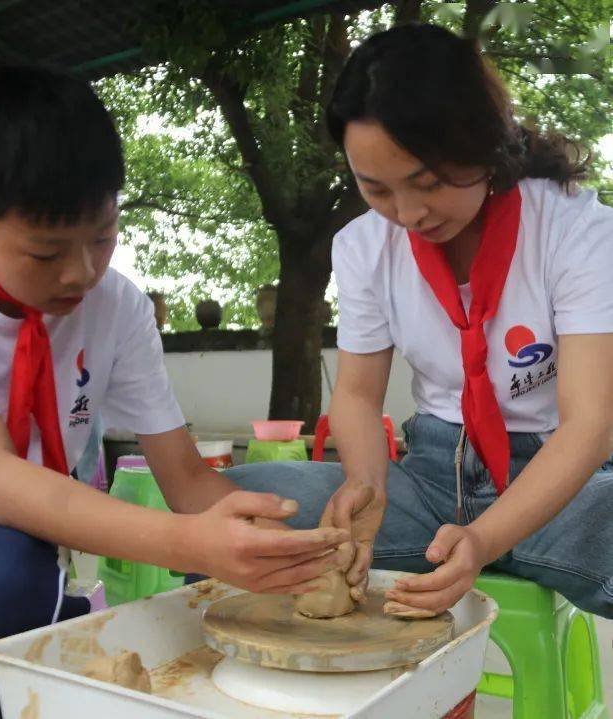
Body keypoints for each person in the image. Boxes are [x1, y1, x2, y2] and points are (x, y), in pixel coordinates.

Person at [0, 66, 349, 719]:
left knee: (5, 583)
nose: (81, 273)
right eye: (46, 253)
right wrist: (192, 543)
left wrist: (300, 548)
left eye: (102, 238)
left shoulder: (118, 307)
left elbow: (188, 484)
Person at [233, 22, 613, 620]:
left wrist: (485, 537)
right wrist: (368, 490)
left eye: (428, 183)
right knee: (241, 506)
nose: (407, 214)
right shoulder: (363, 247)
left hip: (561, 484)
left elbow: (590, 424)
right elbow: (357, 396)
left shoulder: (574, 231)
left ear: (484, 145)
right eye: (375, 188)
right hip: (432, 479)